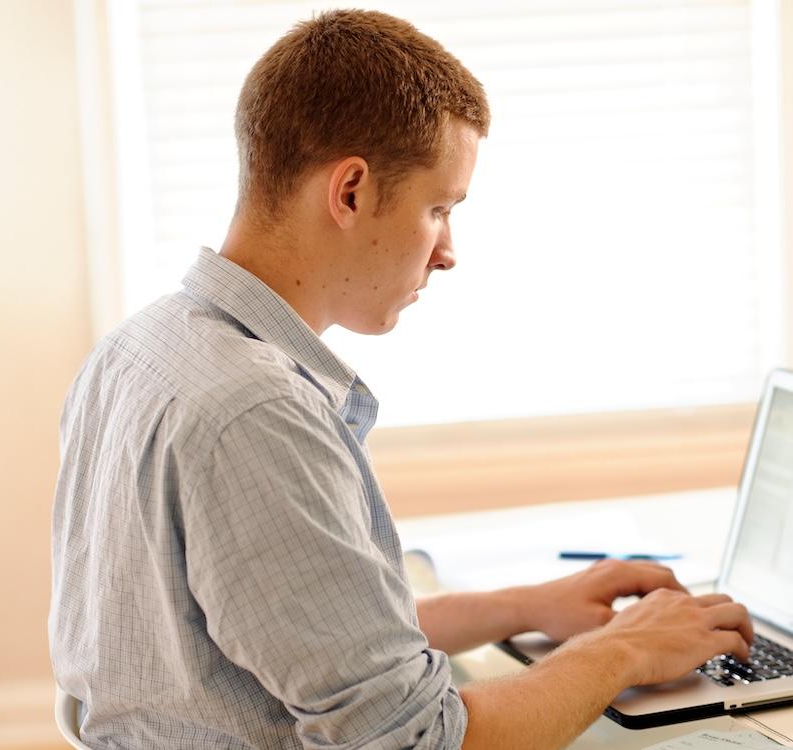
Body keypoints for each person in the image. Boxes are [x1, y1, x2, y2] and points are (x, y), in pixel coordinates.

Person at [48, 9, 753, 750]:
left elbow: (308, 632)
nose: (447, 251)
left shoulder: (139, 350)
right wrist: (623, 650)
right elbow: (413, 739)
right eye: (438, 209)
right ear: (350, 192)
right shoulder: (256, 411)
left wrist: (529, 605)